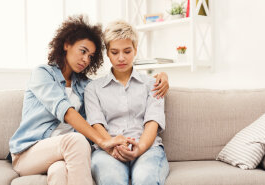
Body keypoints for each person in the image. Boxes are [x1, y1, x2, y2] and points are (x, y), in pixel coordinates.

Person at [9, 15, 169, 185]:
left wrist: (163, 76)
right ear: (66, 44)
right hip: (30, 151)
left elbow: (105, 94)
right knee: (77, 141)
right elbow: (66, 111)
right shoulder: (43, 74)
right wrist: (104, 142)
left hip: (62, 153)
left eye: (91, 56)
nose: (86, 59)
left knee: (59, 171)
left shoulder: (85, 86)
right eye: (83, 51)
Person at [84, 20, 170, 185]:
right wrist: (112, 146)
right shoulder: (93, 89)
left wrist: (140, 148)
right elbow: (96, 124)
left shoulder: (153, 84)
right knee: (112, 179)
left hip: (148, 149)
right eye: (114, 52)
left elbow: (152, 121)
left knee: (145, 178)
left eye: (127, 51)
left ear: (136, 50)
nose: (121, 58)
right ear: (107, 53)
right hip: (107, 151)